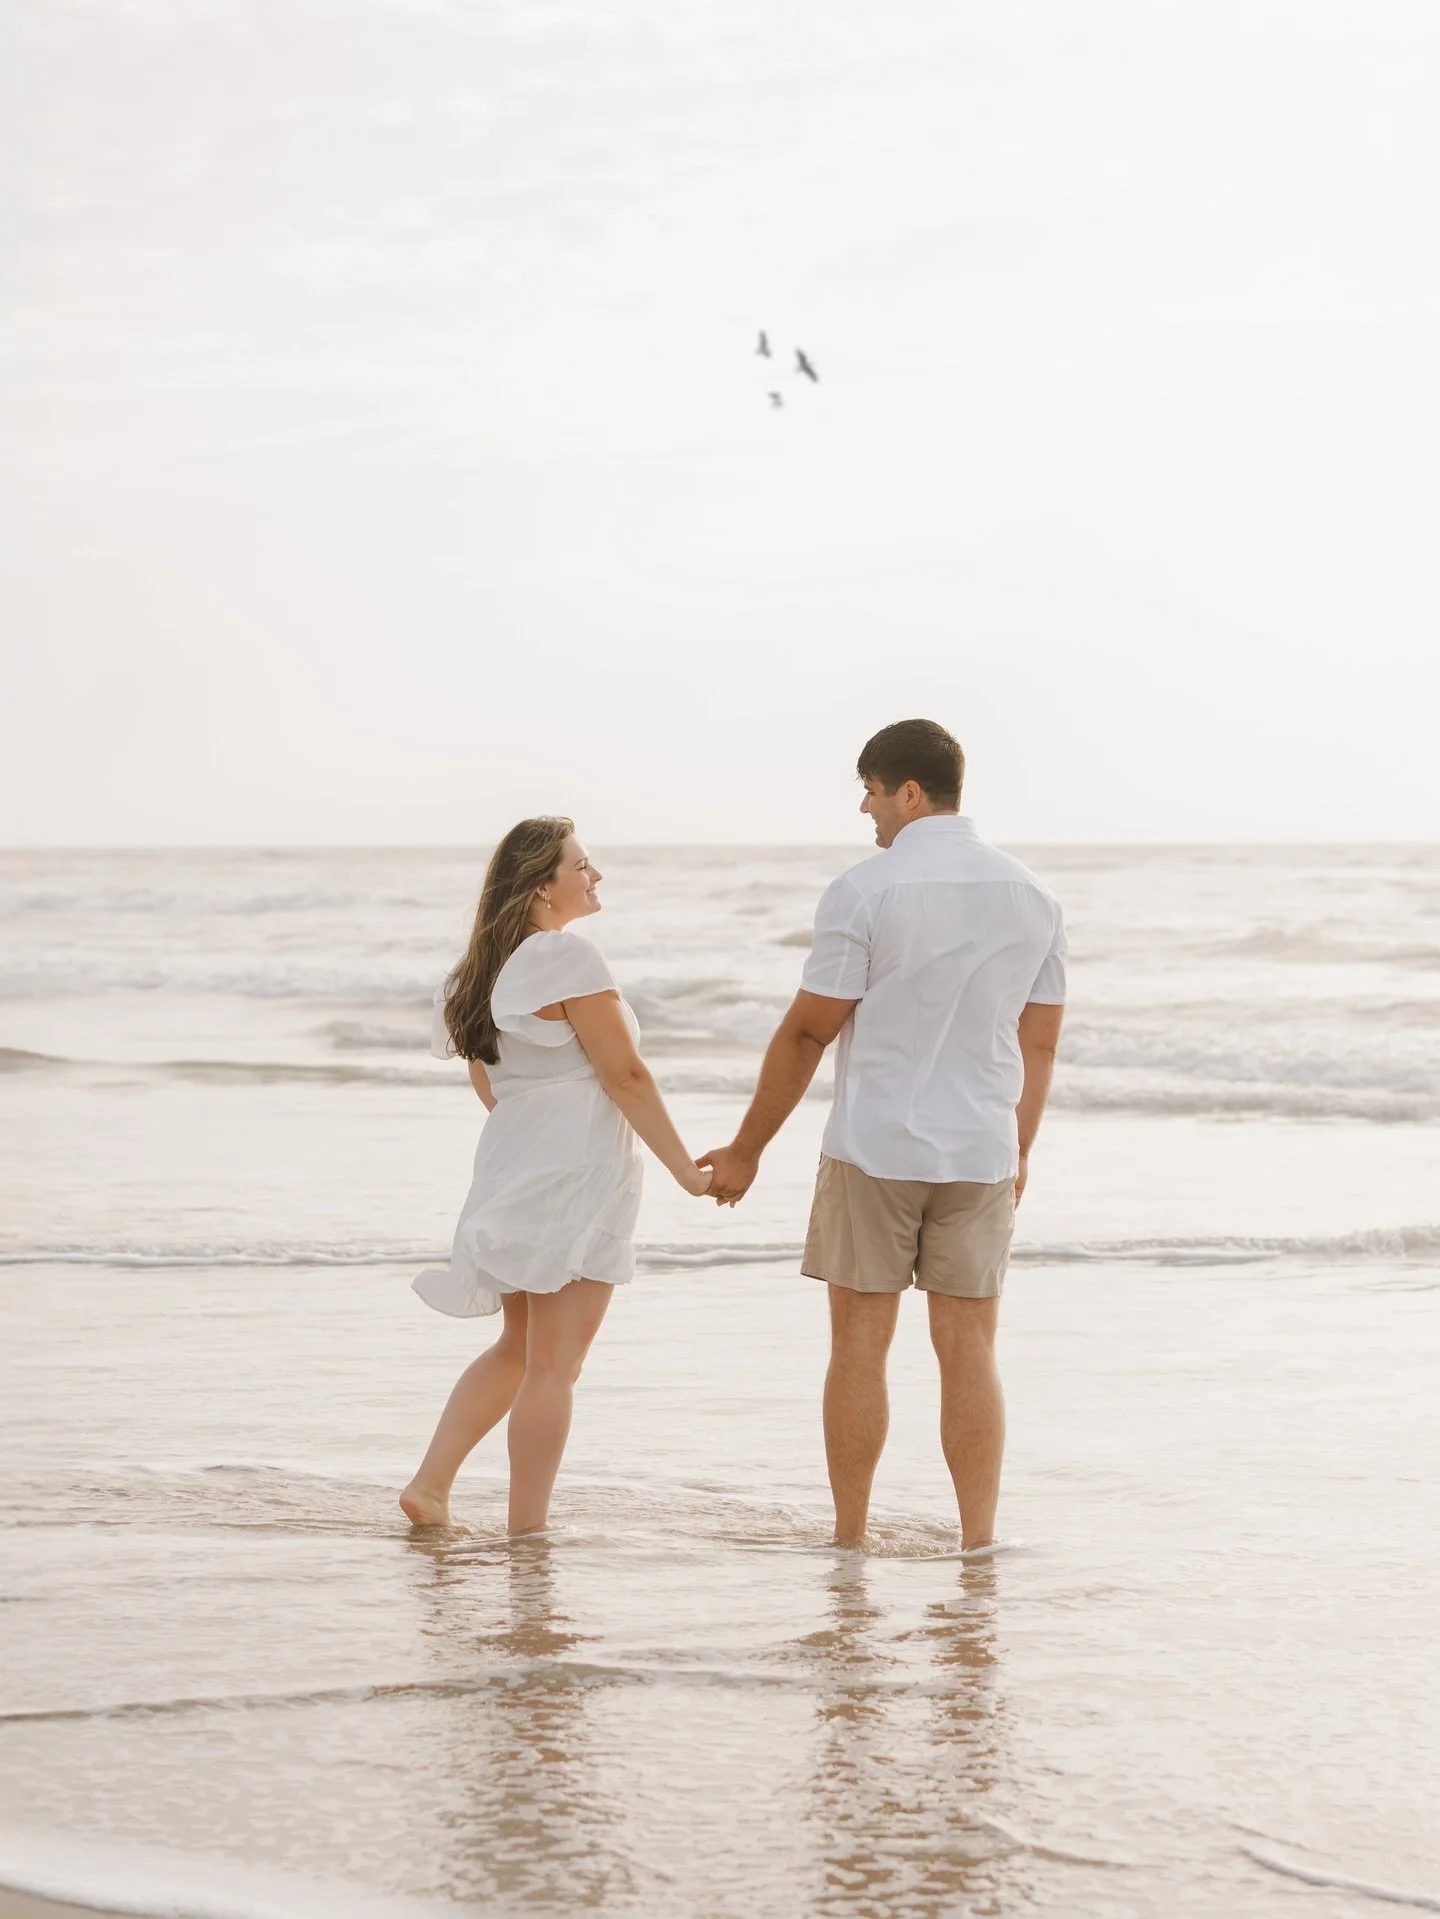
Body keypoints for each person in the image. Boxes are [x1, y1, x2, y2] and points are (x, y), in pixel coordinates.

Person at [701, 720, 1065, 1553]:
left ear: (909, 792)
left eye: (869, 789)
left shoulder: (866, 890)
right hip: (980, 1152)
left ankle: (851, 1540)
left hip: (874, 1148)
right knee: (969, 1348)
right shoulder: (1035, 897)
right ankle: (978, 1544)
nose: (864, 808)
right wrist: (1020, 1150)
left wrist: (748, 1147)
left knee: (860, 1346)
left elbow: (806, 1034)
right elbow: (1038, 1043)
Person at [402, 817, 713, 1534]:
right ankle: (528, 1533)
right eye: (582, 865)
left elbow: (494, 1091)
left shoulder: (483, 971)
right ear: (543, 884)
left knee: (519, 1348)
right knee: (553, 1366)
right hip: (576, 1173)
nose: (594, 876)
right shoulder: (568, 956)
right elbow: (626, 1075)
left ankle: (432, 1485)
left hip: (514, 1166)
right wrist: (684, 1172)